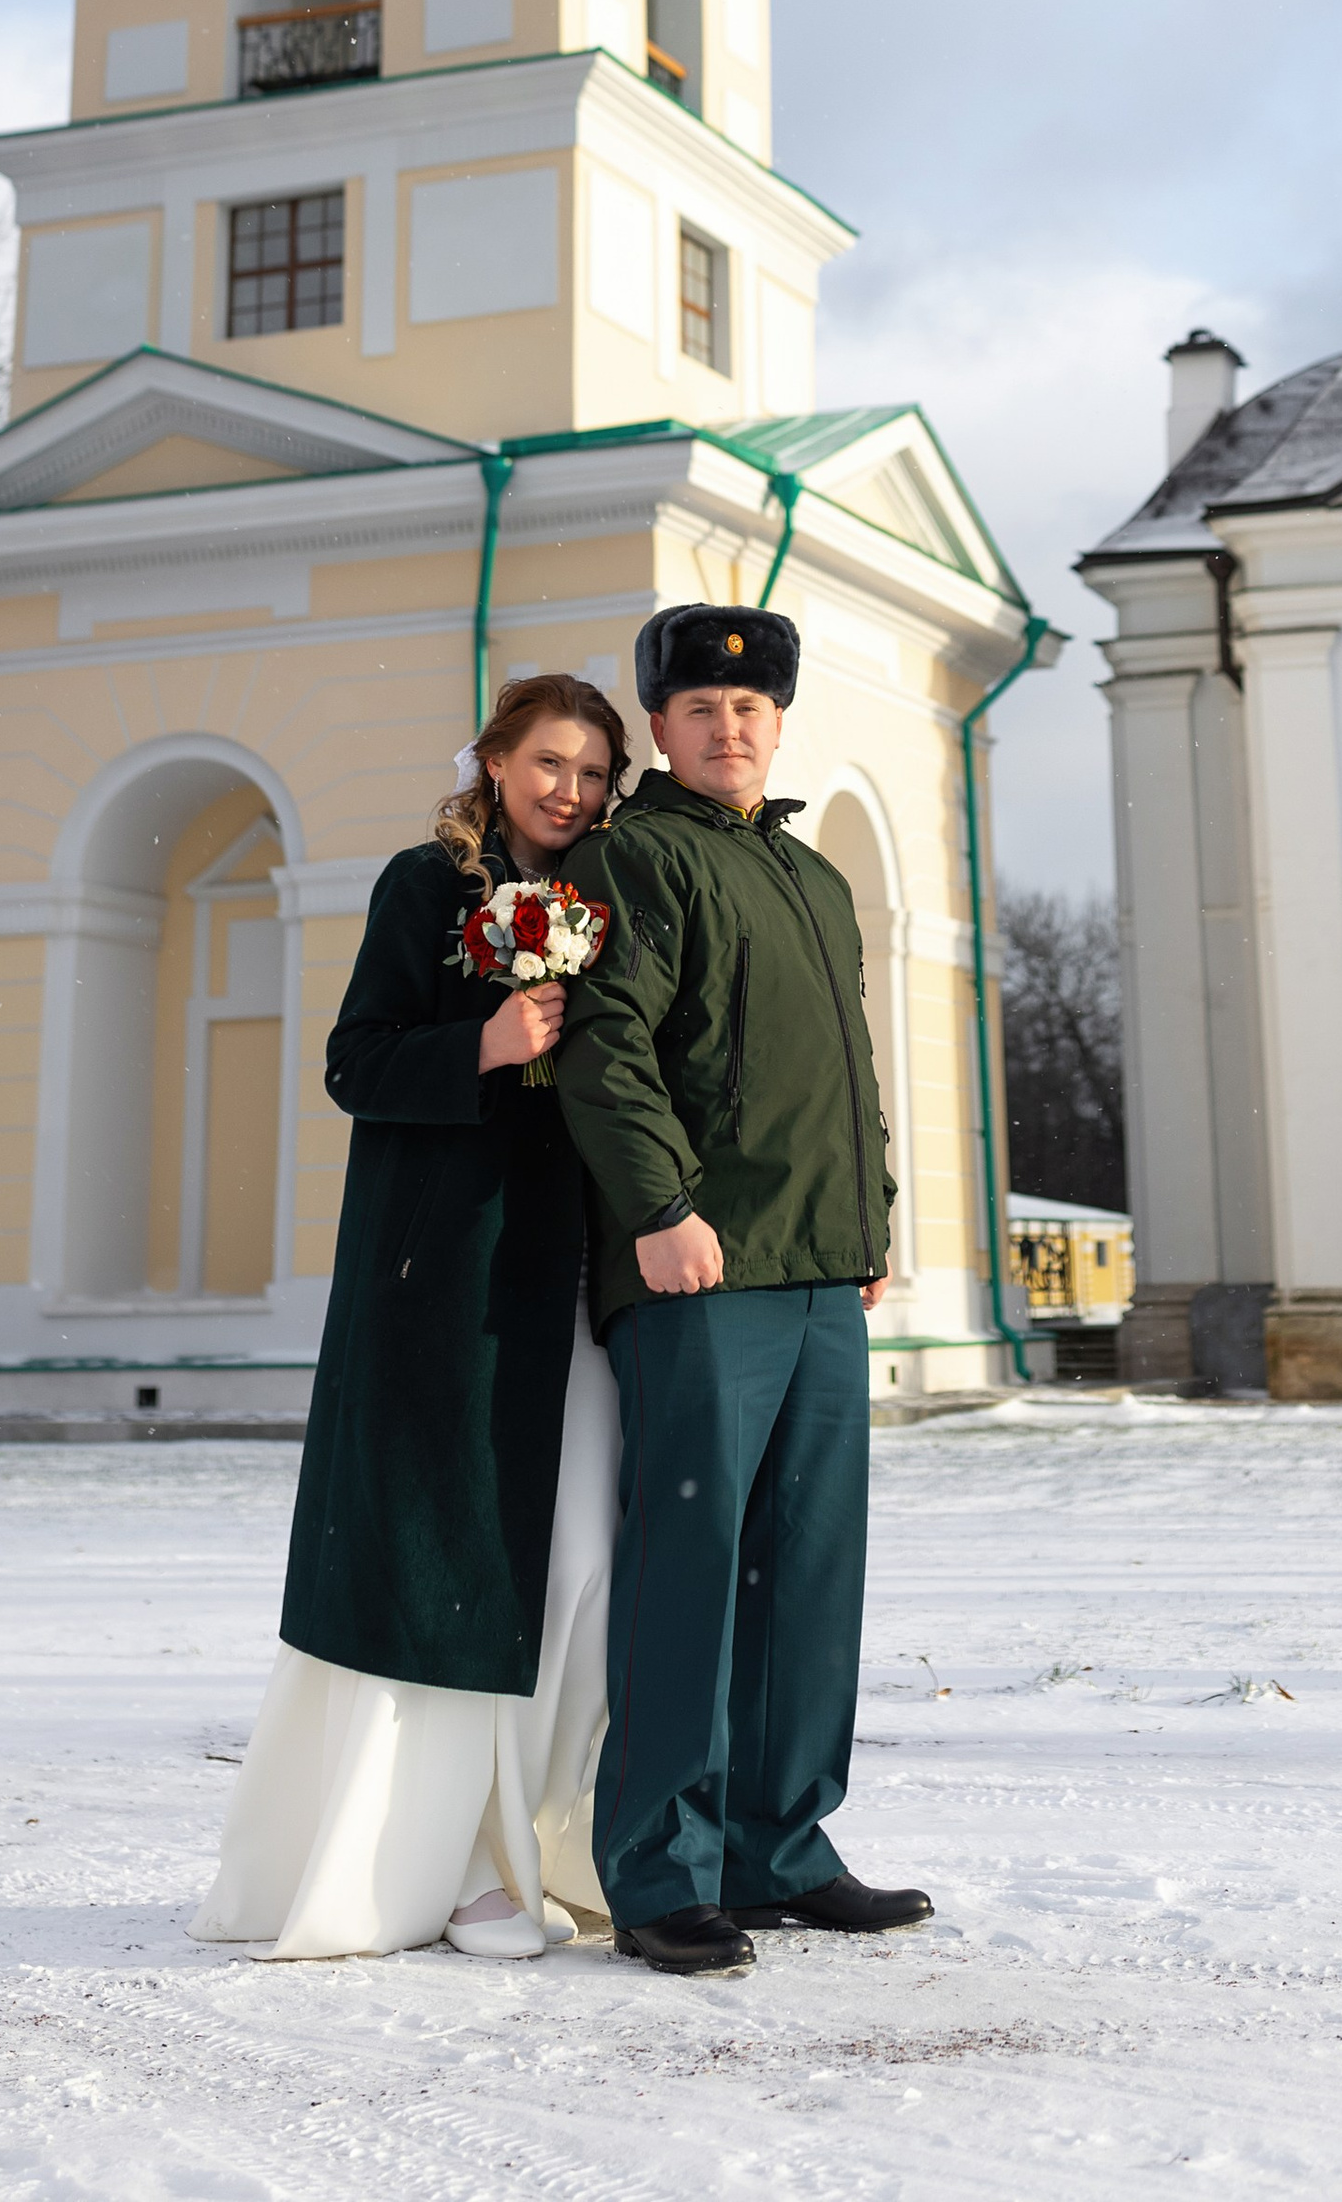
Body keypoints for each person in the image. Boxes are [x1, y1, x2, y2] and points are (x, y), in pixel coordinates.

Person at [192, 673, 628, 1962]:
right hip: (445, 1277)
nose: (571, 790)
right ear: (493, 763)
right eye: (550, 762)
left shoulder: (610, 904)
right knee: (456, 1556)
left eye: (595, 771)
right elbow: (354, 1062)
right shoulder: (421, 889)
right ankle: (454, 1866)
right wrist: (482, 1047)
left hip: (576, 1284)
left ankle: (551, 1834)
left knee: (580, 1557)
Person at [553, 605, 934, 1978]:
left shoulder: (814, 876)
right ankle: (662, 1870)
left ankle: (784, 1847)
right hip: (702, 1267)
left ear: (779, 722)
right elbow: (607, 1049)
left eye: (753, 708)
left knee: (811, 1573)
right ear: (659, 722)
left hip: (824, 1265)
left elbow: (850, 1071)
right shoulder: (631, 858)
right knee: (692, 1572)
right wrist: (659, 1208)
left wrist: (872, 1214)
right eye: (703, 708)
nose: (730, 726)